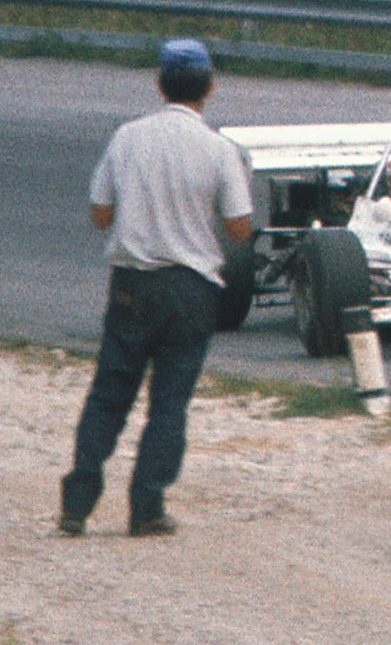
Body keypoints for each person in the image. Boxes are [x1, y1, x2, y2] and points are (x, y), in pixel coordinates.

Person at [60, 38, 254, 537]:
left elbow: (100, 215)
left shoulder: (127, 138)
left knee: (109, 393)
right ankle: (147, 507)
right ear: (209, 87)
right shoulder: (219, 149)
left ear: (159, 84)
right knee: (169, 401)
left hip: (131, 283)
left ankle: (77, 502)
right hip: (190, 286)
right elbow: (238, 228)